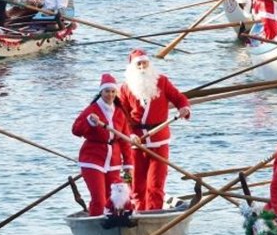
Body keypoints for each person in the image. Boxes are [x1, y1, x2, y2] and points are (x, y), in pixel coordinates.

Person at [118, 49, 191, 211]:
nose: (142, 67)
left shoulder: (162, 82)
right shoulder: (125, 89)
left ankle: (154, 214)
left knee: (155, 184)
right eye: (139, 64)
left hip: (159, 141)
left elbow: (179, 98)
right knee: (136, 185)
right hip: (136, 143)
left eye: (145, 63)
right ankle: (138, 214)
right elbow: (121, 116)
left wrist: (184, 108)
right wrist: (129, 134)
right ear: (132, 67)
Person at [73, 73, 135, 217]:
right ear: (101, 92)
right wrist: (89, 122)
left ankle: (115, 224)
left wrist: (128, 165)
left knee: (116, 199)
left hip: (113, 161)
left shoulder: (119, 112)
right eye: (107, 91)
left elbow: (124, 140)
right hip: (92, 160)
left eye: (113, 91)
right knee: (99, 200)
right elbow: (76, 130)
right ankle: (96, 223)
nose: (110, 95)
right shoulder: (92, 110)